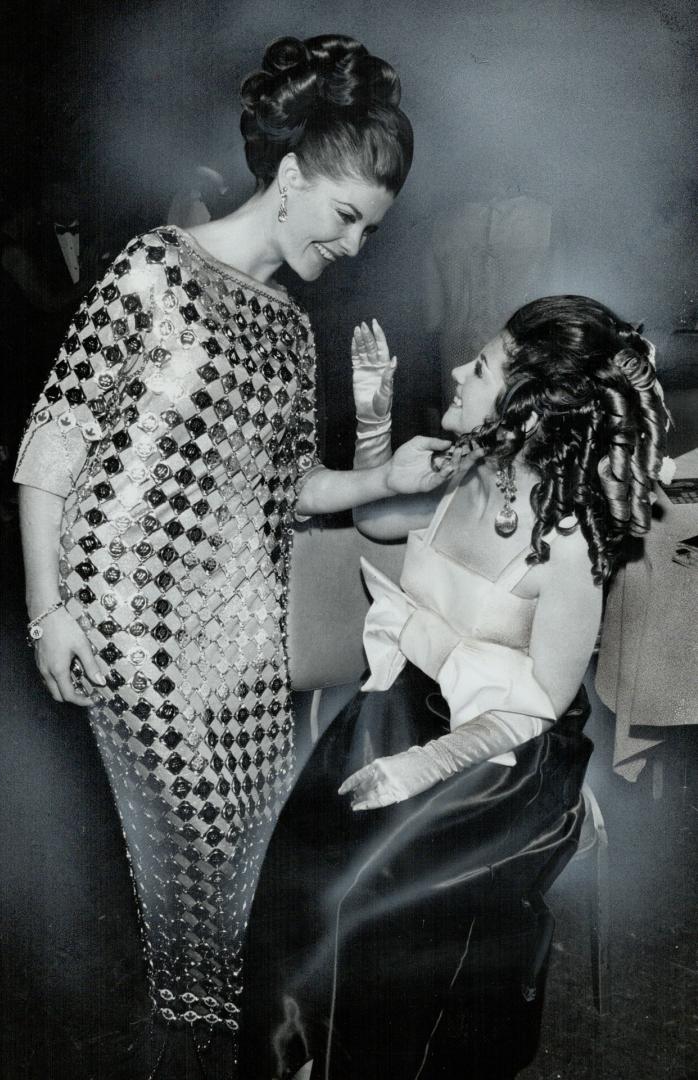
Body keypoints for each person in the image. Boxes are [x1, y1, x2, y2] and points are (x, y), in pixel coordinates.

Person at [13, 34, 447, 1080]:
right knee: (182, 921)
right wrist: (48, 609)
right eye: (344, 215)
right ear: (291, 176)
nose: (352, 244)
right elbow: (53, 437)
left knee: (232, 916)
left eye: (369, 228)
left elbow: (292, 488)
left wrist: (385, 479)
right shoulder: (156, 268)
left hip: (247, 658)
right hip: (136, 639)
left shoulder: (291, 334)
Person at [240, 295, 670, 1079]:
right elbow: (378, 523)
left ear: (529, 410)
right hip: (404, 701)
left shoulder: (570, 548)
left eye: (482, 365)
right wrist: (373, 423)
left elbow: (539, 703)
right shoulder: (467, 460)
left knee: (364, 912)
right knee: (297, 892)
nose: (459, 371)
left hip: (498, 761)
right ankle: (297, 1058)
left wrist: (423, 767)